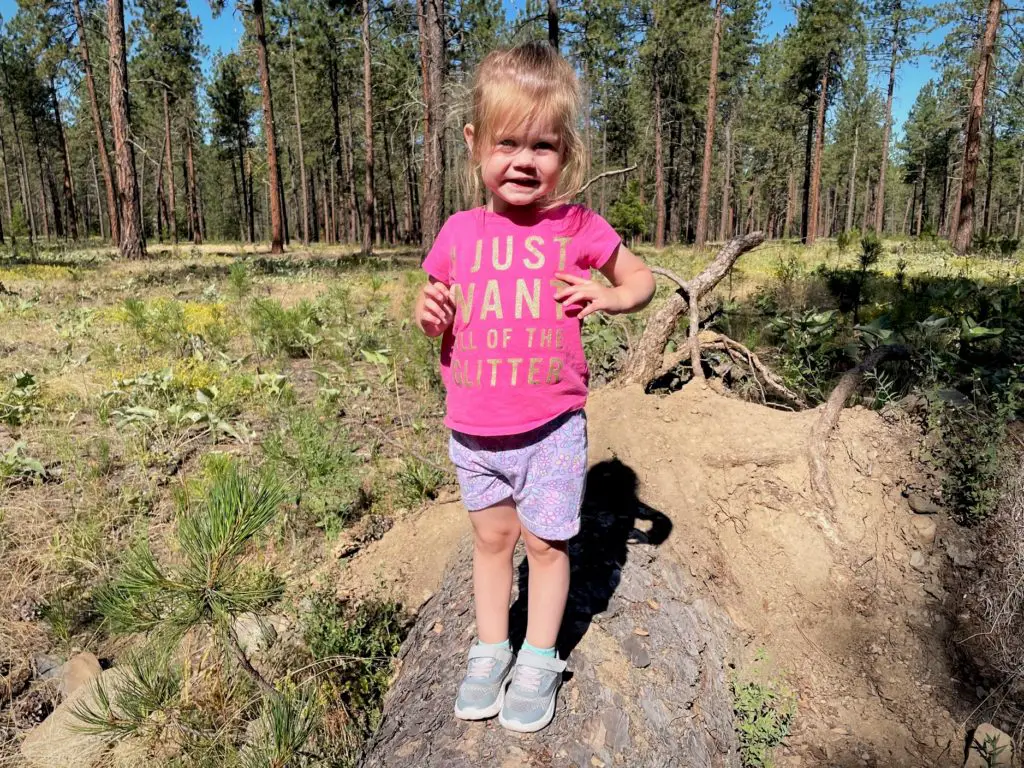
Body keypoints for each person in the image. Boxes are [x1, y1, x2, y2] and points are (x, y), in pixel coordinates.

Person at [413, 40, 655, 733]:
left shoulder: (578, 226)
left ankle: (540, 656)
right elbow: (433, 304)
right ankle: (491, 649)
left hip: (550, 429)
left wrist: (608, 299)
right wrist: (429, 313)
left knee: (547, 546)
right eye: (508, 142)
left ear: (567, 152)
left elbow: (638, 280)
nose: (524, 160)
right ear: (475, 144)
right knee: (492, 543)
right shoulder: (459, 232)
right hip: (474, 430)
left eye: (543, 146)